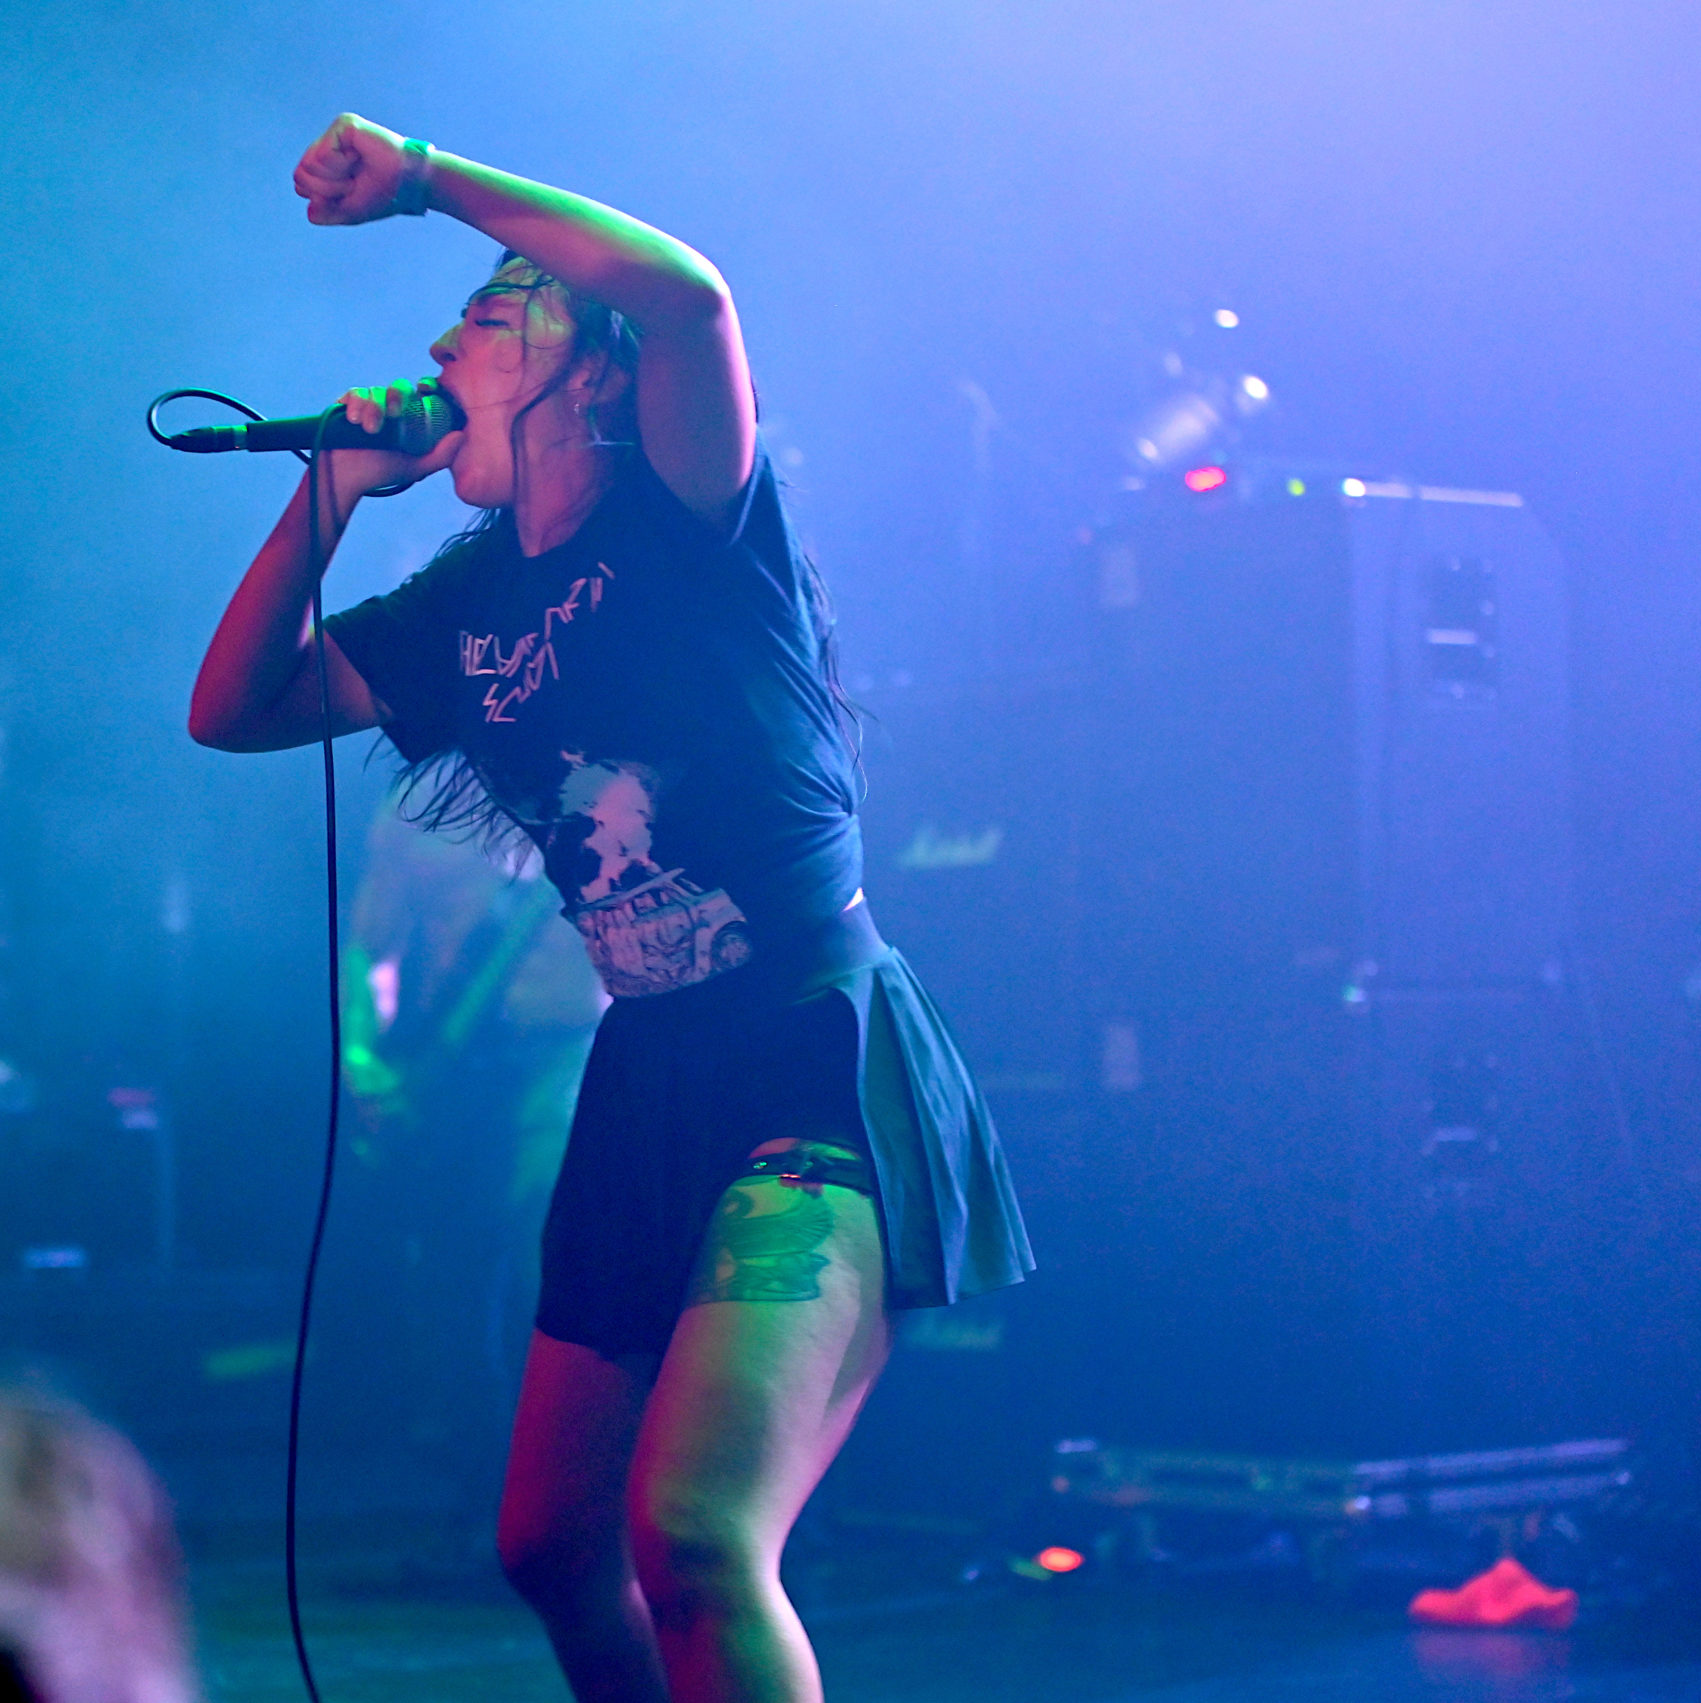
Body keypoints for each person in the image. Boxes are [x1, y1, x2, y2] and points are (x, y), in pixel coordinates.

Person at [189, 113, 1032, 1703]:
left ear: (589, 375)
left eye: (487, 313)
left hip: (809, 1062)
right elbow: (232, 712)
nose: (440, 346)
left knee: (697, 1536)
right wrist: (329, 499)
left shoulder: (694, 520)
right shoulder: (464, 603)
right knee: (550, 1548)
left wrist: (425, 179)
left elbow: (688, 298)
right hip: (644, 1080)